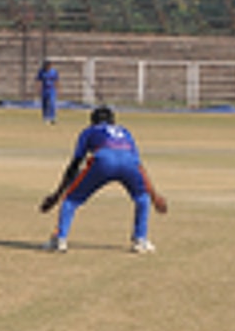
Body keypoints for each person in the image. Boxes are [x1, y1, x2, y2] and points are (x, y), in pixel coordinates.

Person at [39, 106, 167, 253]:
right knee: (142, 198)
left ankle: (60, 239)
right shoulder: (125, 132)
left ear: (92, 122)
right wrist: (154, 197)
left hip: (103, 160)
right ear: (113, 121)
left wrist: (57, 195)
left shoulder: (89, 131)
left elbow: (75, 164)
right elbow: (139, 166)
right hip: (129, 162)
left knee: (70, 200)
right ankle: (141, 240)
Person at [35, 60, 60, 124]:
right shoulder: (41, 71)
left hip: (51, 90)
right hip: (44, 89)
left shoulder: (54, 72)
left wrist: (57, 89)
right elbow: (38, 80)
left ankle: (52, 117)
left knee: (52, 103)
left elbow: (56, 80)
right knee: (45, 104)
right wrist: (38, 88)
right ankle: (45, 117)